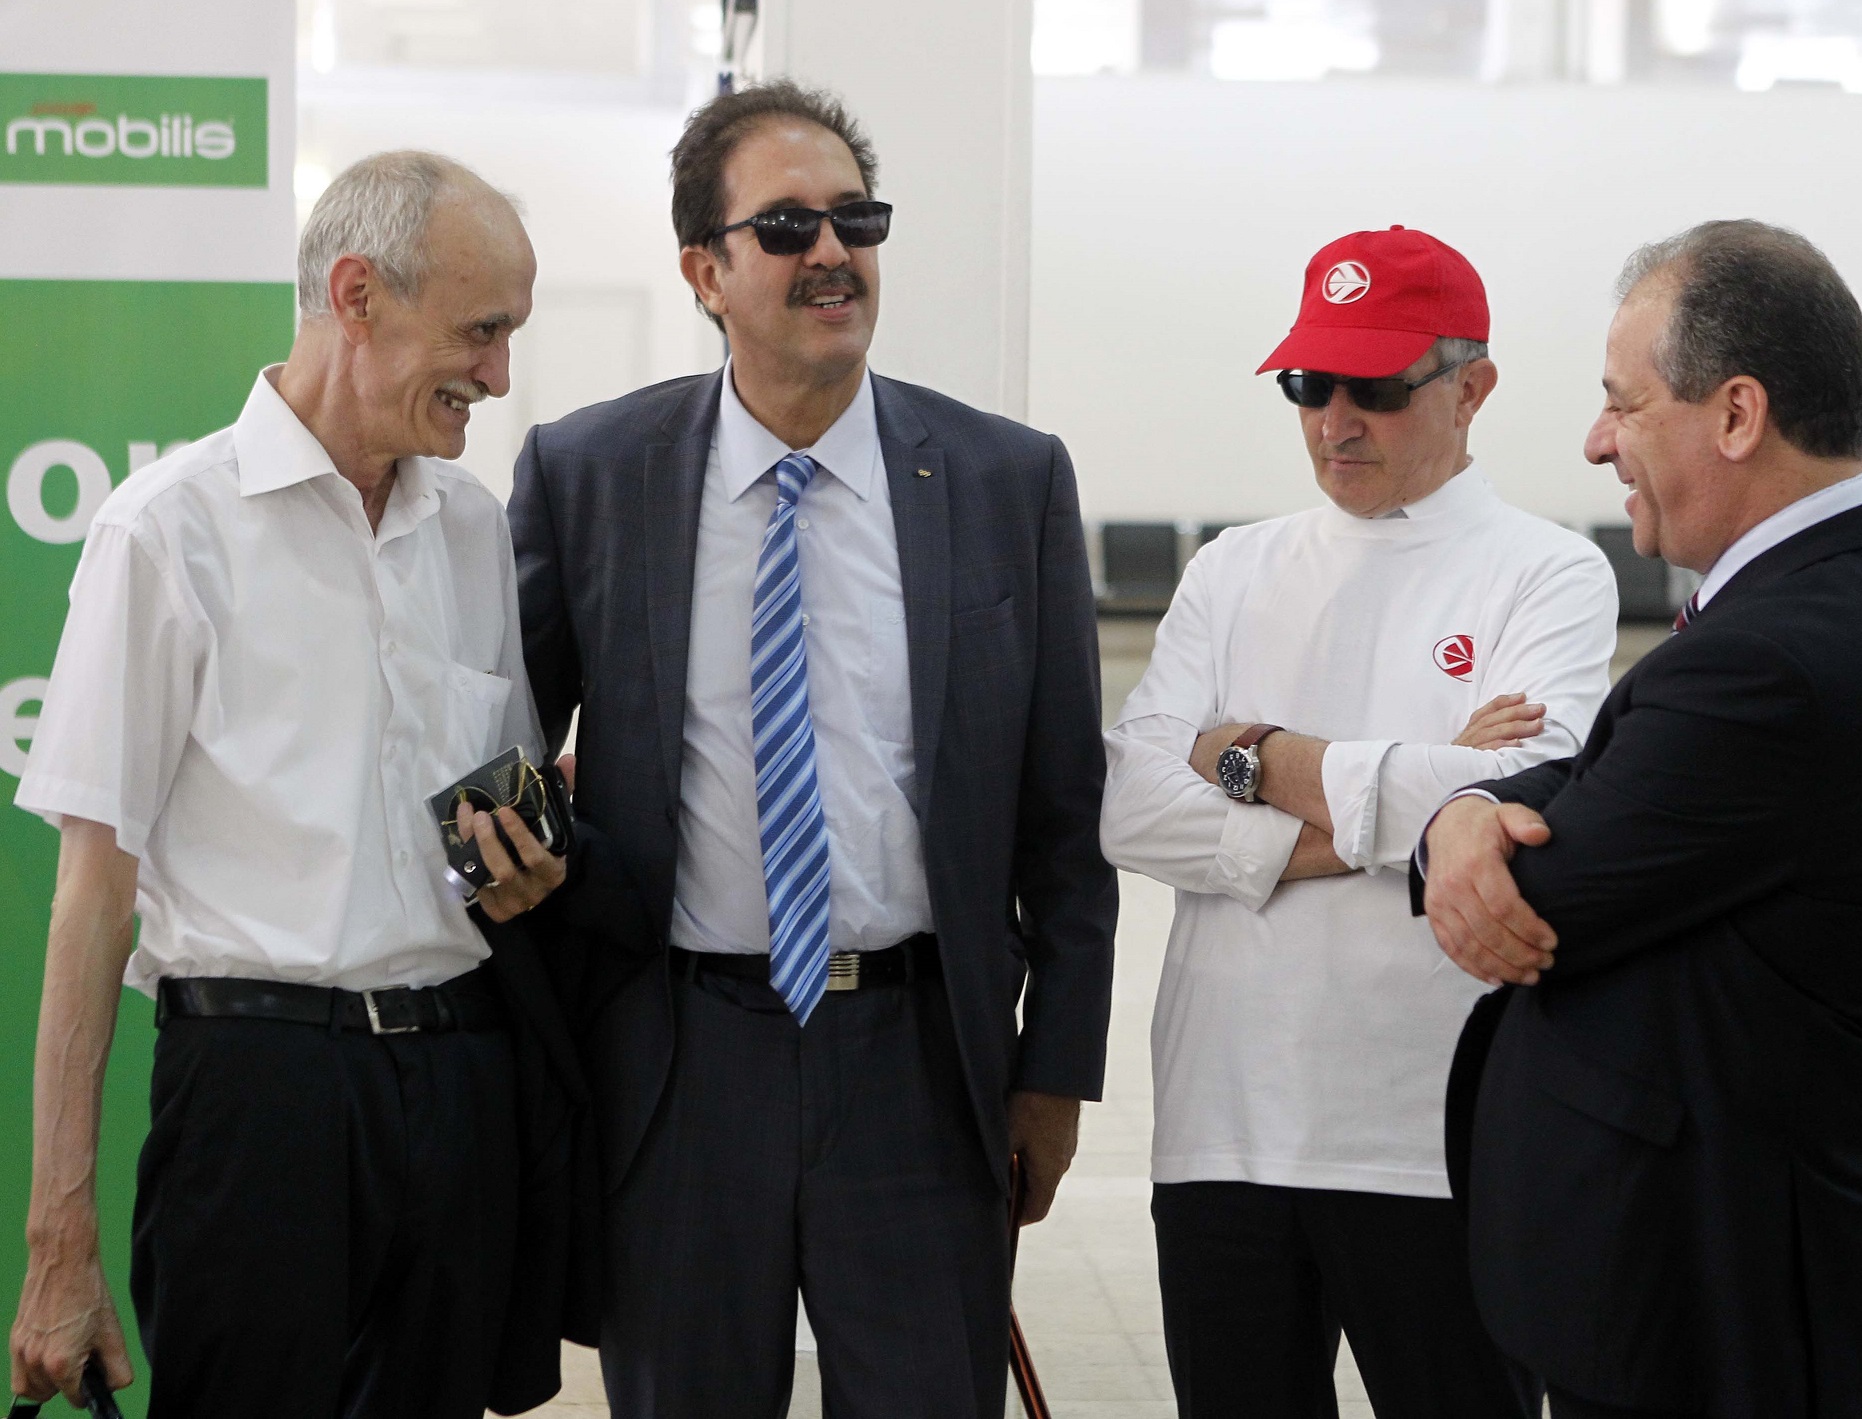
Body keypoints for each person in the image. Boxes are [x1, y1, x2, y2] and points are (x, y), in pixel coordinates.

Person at [508, 79, 1117, 1419]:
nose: (831, 252)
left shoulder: (1005, 480)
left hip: (917, 1057)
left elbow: (1063, 814)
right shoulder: (589, 472)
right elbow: (499, 738)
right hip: (678, 1059)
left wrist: (1055, 1069)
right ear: (704, 269)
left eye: (857, 219)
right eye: (785, 226)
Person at [5, 151, 578, 1418]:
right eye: (480, 333)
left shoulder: (473, 529)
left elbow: (489, 816)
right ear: (358, 293)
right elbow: (90, 906)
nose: (498, 376)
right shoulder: (167, 531)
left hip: (457, 1091)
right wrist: (59, 1243)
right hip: (258, 1104)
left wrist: (528, 858)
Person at [1418, 220, 1862, 1419]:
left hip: (1707, 1306)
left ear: (1735, 415)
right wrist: (1471, 804)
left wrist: (1457, 831)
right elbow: (1601, 782)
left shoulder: (1777, 658)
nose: (1594, 442)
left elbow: (1549, 887)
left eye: (1621, 406)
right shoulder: (1839, 599)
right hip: (1724, 1281)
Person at [1099, 225, 1617, 1419]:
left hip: (1430, 1134)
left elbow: (1533, 792)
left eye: (1375, 388)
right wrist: (1417, 807)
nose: (1334, 418)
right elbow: (1128, 800)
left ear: (1470, 387)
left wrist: (1242, 754)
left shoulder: (1546, 575)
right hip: (1222, 1129)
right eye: (1307, 384)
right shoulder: (1232, 570)